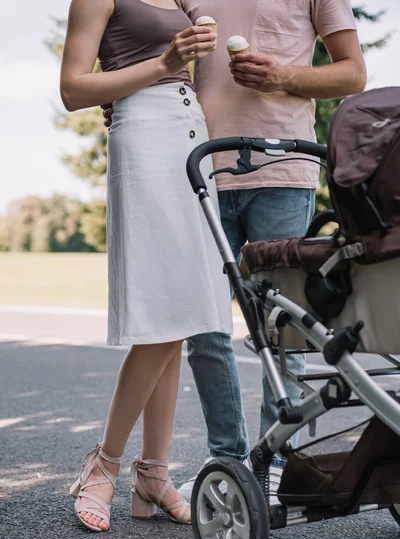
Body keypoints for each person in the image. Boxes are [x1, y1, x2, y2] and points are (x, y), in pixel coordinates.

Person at [102, 0, 367, 503]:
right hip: (197, 167)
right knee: (204, 326)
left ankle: (274, 460)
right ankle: (228, 461)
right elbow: (155, 48)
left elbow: (352, 74)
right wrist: (134, 97)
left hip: (283, 167)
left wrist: (283, 75)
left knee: (282, 323)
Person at [60, 0, 232, 532]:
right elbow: (72, 89)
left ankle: (153, 474)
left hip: (190, 131)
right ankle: (105, 463)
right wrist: (162, 64)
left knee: (180, 313)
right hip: (143, 134)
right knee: (162, 312)